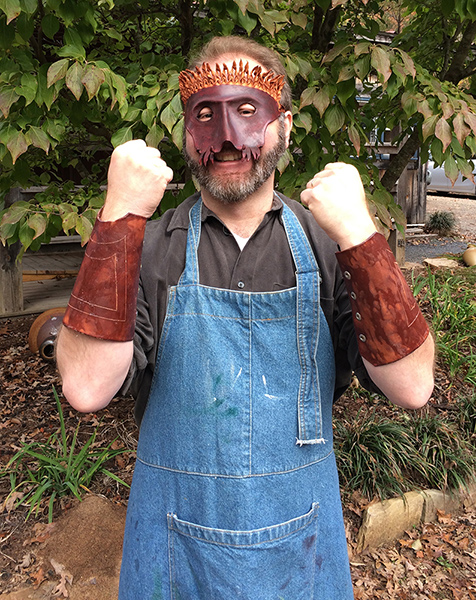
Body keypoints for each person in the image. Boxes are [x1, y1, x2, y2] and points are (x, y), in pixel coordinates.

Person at [56, 35, 435, 599]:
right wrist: (117, 218)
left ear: (284, 125)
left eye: (247, 111)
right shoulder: (147, 248)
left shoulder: (331, 248)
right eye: (206, 115)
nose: (228, 138)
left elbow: (413, 385)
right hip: (172, 555)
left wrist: (362, 237)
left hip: (301, 554)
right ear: (187, 131)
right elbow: (86, 388)